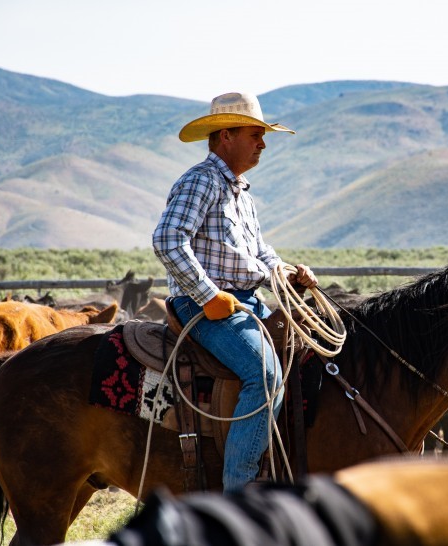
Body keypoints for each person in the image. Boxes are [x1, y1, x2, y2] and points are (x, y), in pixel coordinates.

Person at [152, 91, 318, 494]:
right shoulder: (200, 181)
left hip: (245, 302)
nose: (263, 143)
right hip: (203, 307)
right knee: (264, 377)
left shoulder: (241, 192)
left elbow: (260, 252)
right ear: (225, 136)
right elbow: (168, 239)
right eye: (255, 134)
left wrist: (288, 272)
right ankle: (238, 496)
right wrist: (208, 295)